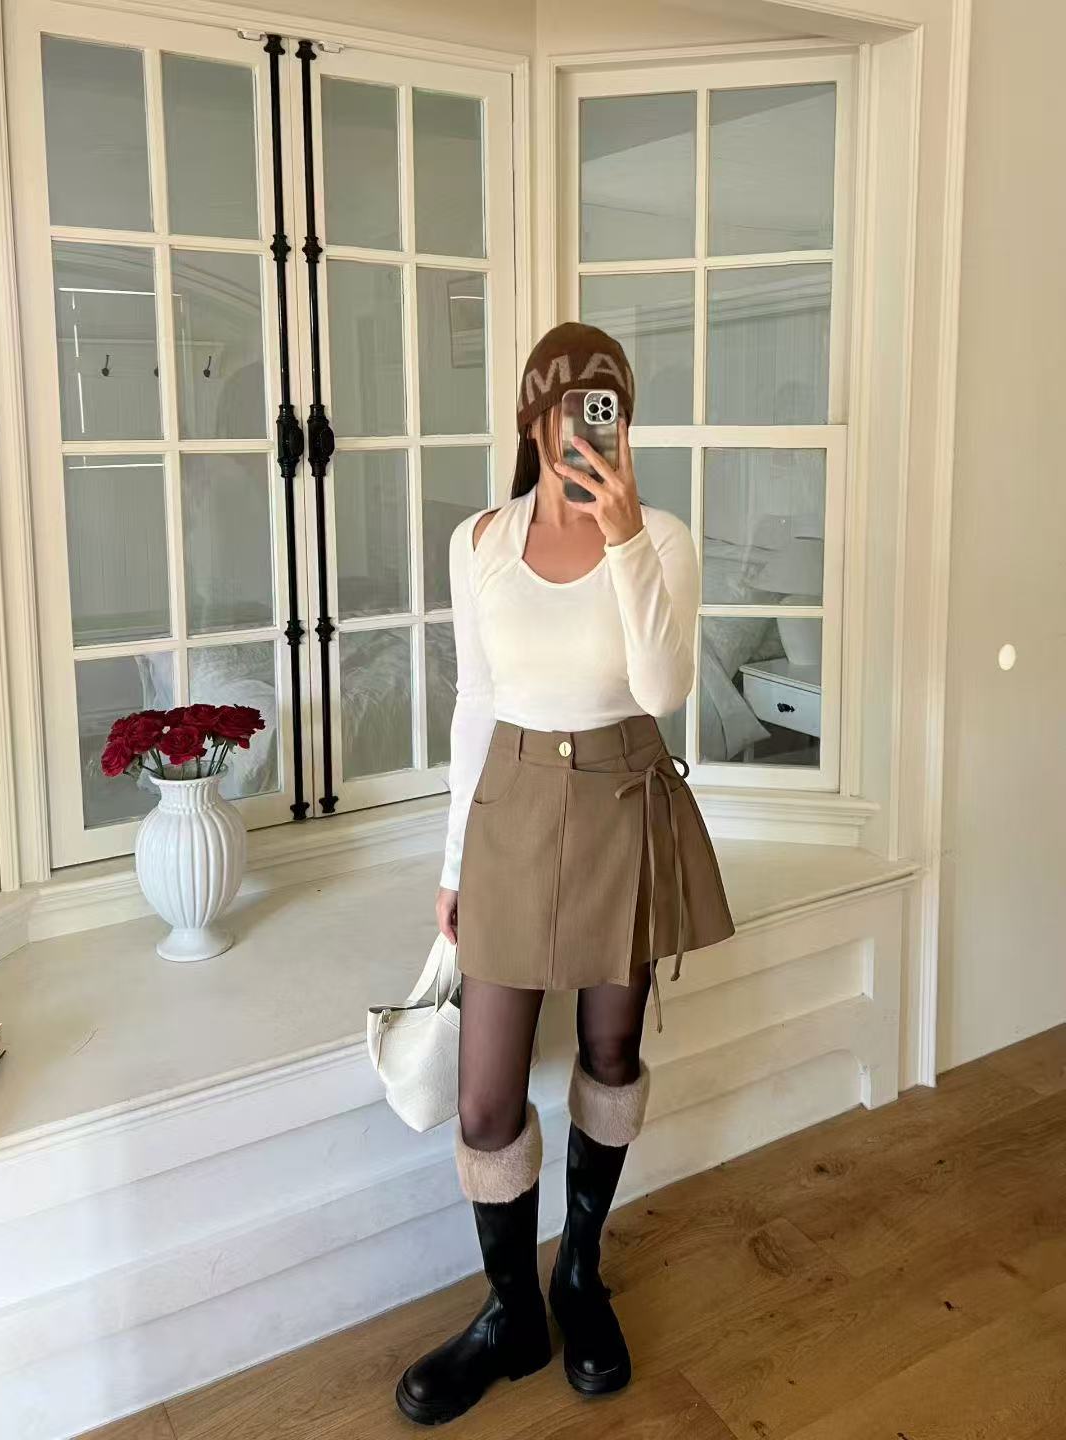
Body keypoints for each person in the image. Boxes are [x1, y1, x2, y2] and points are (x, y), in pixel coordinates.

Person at [395, 322, 734, 1425]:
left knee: (611, 1051)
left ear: (622, 420)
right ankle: (511, 1313)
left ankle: (579, 1276)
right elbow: (474, 703)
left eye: (606, 406)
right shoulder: (479, 542)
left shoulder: (663, 536)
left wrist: (625, 539)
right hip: (509, 813)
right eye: (568, 405)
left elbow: (664, 687)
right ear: (532, 417)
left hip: (623, 802)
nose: (585, 426)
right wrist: (453, 863)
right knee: (486, 1098)